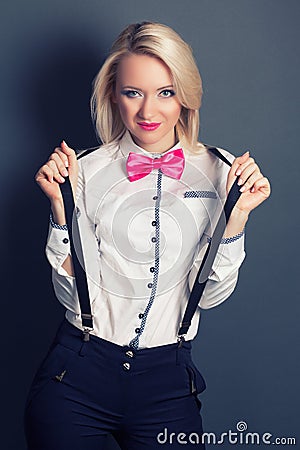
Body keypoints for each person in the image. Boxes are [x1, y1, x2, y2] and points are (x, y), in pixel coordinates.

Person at [24, 21, 271, 450]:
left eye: (166, 92)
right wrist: (61, 211)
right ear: (113, 96)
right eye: (132, 92)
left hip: (166, 381)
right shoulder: (82, 170)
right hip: (76, 375)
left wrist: (237, 219)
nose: (148, 112)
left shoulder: (221, 170)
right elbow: (73, 297)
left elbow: (209, 296)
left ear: (186, 97)